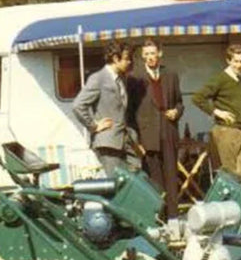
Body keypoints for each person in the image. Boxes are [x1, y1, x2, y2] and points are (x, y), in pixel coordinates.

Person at [192, 44, 241, 182]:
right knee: (231, 175)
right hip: (227, 130)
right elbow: (198, 98)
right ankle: (231, 203)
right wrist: (217, 112)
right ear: (228, 61)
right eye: (236, 61)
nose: (239, 65)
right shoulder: (220, 79)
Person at [127, 40, 183, 230]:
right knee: (154, 180)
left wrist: (177, 112)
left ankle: (173, 218)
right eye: (147, 54)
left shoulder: (171, 75)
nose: (150, 57)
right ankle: (157, 218)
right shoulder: (135, 78)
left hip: (169, 131)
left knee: (171, 176)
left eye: (153, 53)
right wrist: (137, 141)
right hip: (147, 135)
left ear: (160, 53)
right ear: (143, 56)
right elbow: (130, 112)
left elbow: (180, 102)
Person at [72, 41, 135, 177]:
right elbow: (78, 105)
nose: (129, 62)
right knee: (118, 184)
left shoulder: (121, 79)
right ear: (115, 58)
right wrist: (93, 126)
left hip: (122, 141)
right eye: (127, 58)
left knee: (131, 182)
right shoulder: (98, 78)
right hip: (107, 143)